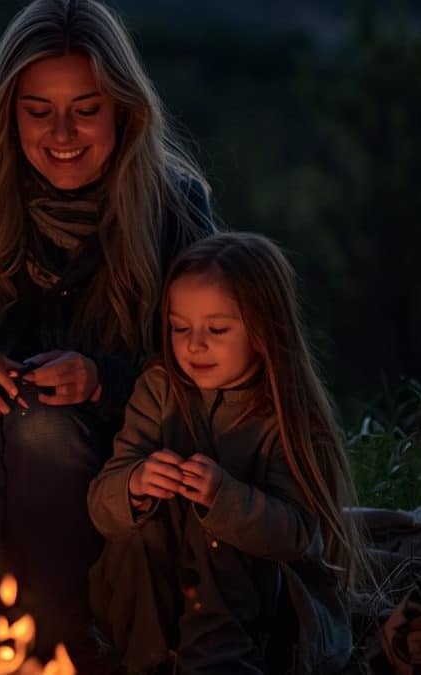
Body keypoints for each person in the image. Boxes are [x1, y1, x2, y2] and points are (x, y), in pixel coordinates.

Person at [0, 0, 213, 664]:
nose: (62, 133)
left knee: (44, 429)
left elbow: (212, 369)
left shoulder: (173, 206)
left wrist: (101, 380)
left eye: (85, 109)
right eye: (39, 111)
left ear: (123, 110)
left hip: (112, 457)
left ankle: (55, 646)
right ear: (9, 113)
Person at [88, 232, 371, 674]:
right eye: (180, 328)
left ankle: (216, 665)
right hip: (155, 611)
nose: (194, 345)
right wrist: (135, 485)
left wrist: (224, 497)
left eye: (217, 330)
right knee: (139, 530)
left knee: (218, 535)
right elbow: (101, 506)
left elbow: (296, 535)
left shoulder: (284, 413)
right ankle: (146, 663)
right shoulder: (159, 390)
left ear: (264, 329)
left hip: (264, 619)